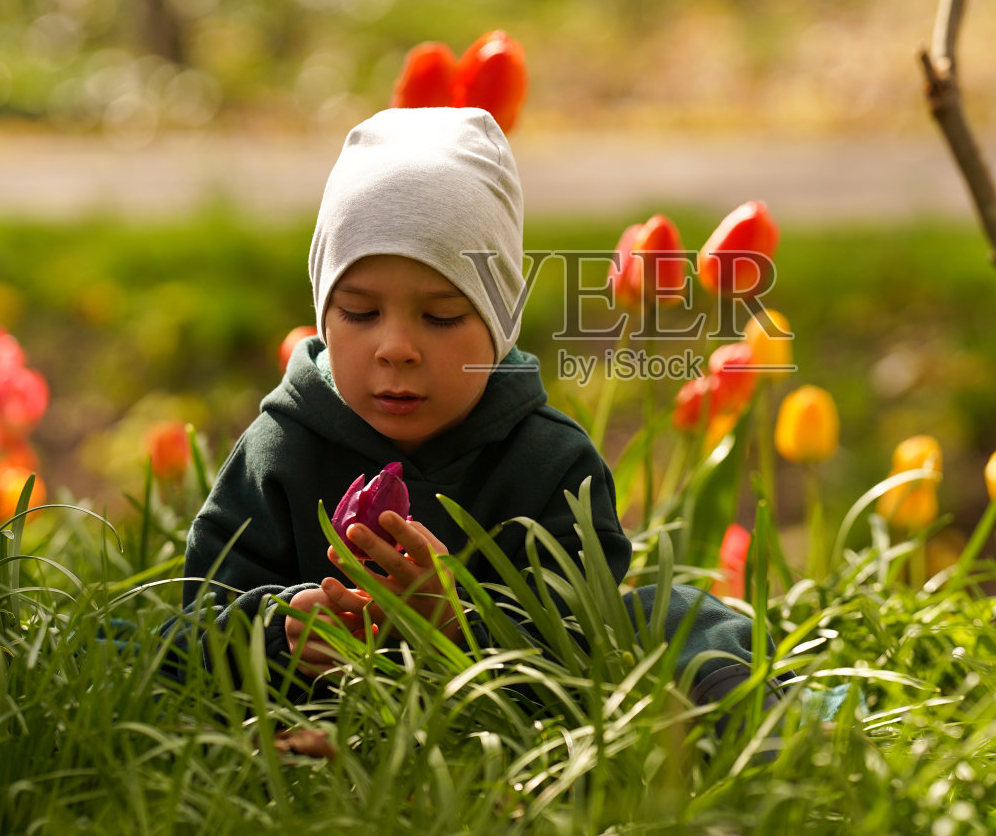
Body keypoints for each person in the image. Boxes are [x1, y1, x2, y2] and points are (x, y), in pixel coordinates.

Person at [169, 106, 767, 714]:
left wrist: (459, 631)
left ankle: (748, 722)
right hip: (319, 713)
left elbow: (580, 638)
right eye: (359, 312)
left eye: (442, 316)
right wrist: (275, 633)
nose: (396, 348)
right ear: (324, 313)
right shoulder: (281, 448)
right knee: (130, 636)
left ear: (500, 325)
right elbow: (194, 618)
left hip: (498, 713)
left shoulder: (549, 461)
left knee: (671, 614)